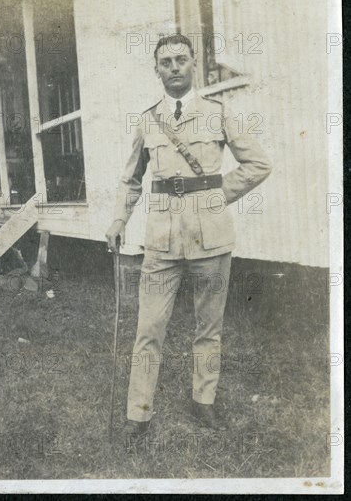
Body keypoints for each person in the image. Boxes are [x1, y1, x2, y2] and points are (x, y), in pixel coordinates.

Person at [106, 34, 272, 435]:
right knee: (148, 329)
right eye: (166, 62)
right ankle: (138, 413)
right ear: (157, 69)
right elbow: (131, 180)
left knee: (208, 328)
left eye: (181, 59)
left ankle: (204, 401)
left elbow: (258, 163)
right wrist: (118, 220)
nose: (175, 67)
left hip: (211, 239)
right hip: (161, 242)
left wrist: (216, 196)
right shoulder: (147, 121)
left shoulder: (218, 112)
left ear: (194, 63)